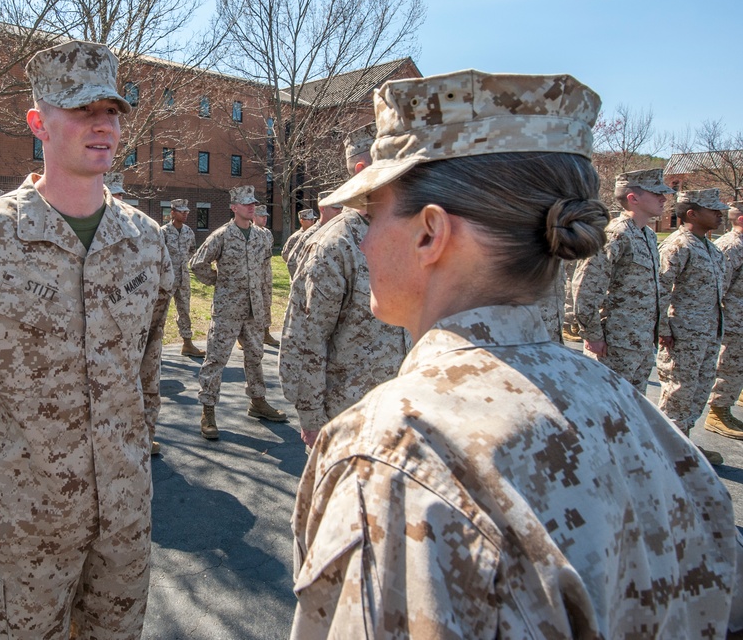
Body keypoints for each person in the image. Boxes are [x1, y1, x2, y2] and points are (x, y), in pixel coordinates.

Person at [291, 70, 740, 638]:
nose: (364, 238)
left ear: (430, 232)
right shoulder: (635, 412)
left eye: (374, 213)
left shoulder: (398, 449)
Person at [0, 39, 173, 639]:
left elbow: (146, 373)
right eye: (82, 111)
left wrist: (138, 460)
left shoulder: (148, 242)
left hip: (126, 521)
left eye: (113, 111)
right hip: (24, 524)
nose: (103, 126)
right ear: (38, 123)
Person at [279, 123, 410, 448]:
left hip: (399, 408)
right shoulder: (334, 244)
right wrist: (311, 418)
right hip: (346, 416)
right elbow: (304, 338)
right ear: (365, 169)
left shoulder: (405, 232)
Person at [190, 185, 286, 440]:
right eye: (246, 203)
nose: (251, 207)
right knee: (216, 359)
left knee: (255, 356)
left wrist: (265, 308)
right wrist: (219, 281)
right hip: (227, 310)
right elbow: (198, 264)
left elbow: (266, 273)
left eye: (253, 203)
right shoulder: (221, 236)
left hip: (253, 310)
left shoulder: (263, 237)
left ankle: (258, 402)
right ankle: (208, 410)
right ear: (234, 207)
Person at [571, 168, 672, 393]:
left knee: (632, 412)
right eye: (657, 194)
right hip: (614, 346)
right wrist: (593, 335)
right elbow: (586, 286)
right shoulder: (615, 235)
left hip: (641, 343)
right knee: (606, 413)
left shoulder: (648, 235)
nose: (663, 198)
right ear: (633, 198)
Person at [656, 188, 728, 464]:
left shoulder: (710, 248)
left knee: (698, 391)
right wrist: (663, 329)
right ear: (692, 214)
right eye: (714, 210)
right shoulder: (678, 245)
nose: (720, 214)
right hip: (682, 334)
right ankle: (666, 451)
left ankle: (683, 444)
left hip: (708, 333)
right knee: (677, 393)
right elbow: (660, 288)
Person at [709, 201, 743, 439]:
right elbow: (718, 288)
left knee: (736, 368)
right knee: (728, 367)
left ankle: (726, 406)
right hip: (732, 322)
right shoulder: (730, 246)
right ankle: (717, 413)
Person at [162, 198, 204, 358]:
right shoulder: (163, 232)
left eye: (187, 211)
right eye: (182, 211)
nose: (185, 214)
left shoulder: (188, 232)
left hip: (183, 279)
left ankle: (187, 344)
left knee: (185, 311)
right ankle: (155, 347)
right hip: (166, 279)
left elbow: (192, 251)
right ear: (172, 212)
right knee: (160, 314)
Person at [285, 192, 342, 278]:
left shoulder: (340, 233)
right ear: (322, 208)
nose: (339, 211)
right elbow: (292, 263)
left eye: (341, 207)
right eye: (335, 207)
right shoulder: (311, 235)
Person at [253, 203, 279, 346]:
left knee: (266, 303)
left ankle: (265, 332)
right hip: (254, 276)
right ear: (254, 217)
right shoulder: (250, 232)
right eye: (262, 216)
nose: (265, 219)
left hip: (266, 275)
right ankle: (245, 336)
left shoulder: (268, 233)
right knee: (251, 306)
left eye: (266, 216)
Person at [281, 209, 316, 274]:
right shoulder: (295, 237)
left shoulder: (316, 234)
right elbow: (286, 255)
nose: (312, 222)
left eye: (313, 219)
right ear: (301, 221)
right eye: (310, 220)